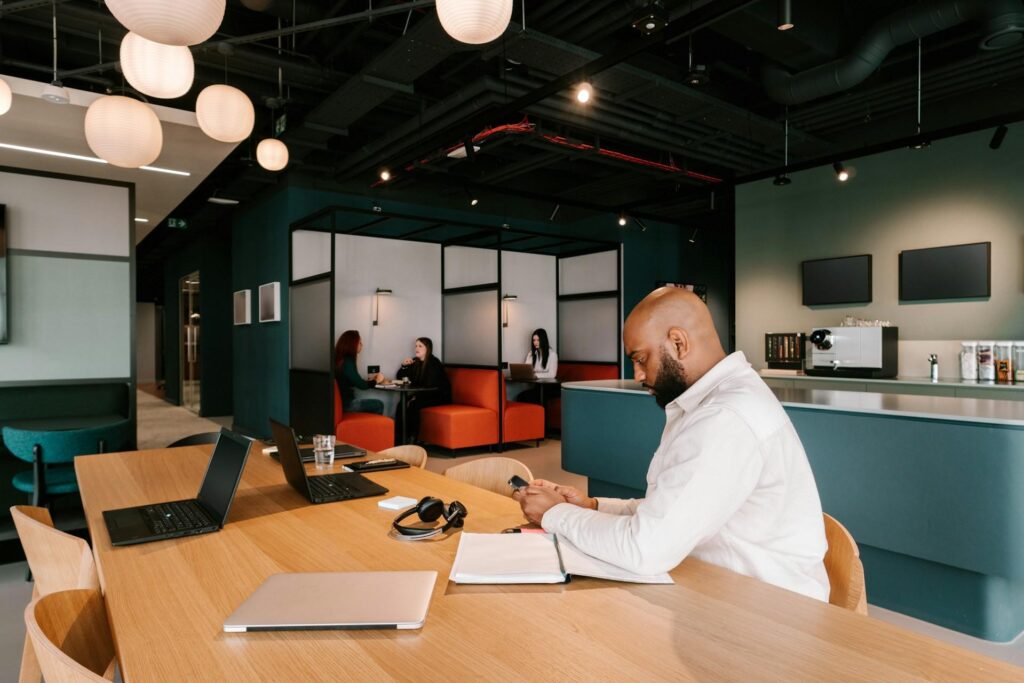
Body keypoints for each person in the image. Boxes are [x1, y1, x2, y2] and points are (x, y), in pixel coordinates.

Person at [514, 287, 830, 601]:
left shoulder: (725, 418)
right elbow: (671, 511)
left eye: (641, 358)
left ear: (678, 343)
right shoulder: (710, 403)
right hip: (726, 592)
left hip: (773, 615)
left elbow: (645, 549)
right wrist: (593, 507)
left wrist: (555, 514)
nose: (637, 374)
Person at [394, 337, 451, 442]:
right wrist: (404, 366)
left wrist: (415, 397)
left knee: (414, 404)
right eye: (416, 346)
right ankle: (400, 438)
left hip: (438, 396)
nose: (417, 348)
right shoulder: (415, 362)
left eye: (420, 346)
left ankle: (413, 437)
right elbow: (400, 377)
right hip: (423, 395)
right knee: (401, 404)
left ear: (427, 349)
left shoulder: (434, 363)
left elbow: (431, 386)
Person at [335, 330, 385, 415]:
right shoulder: (348, 361)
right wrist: (377, 381)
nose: (362, 345)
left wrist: (371, 381)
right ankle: (372, 427)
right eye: (360, 343)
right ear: (352, 345)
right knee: (379, 404)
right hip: (347, 404)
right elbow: (362, 385)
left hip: (342, 403)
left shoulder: (340, 360)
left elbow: (353, 381)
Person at [516, 328, 558, 404]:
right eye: (534, 340)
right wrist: (531, 356)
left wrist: (535, 375)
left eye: (538, 340)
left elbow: (552, 374)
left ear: (543, 340)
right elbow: (527, 370)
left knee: (527, 397)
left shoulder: (552, 355)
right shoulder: (532, 354)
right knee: (521, 396)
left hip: (549, 387)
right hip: (538, 387)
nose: (535, 342)